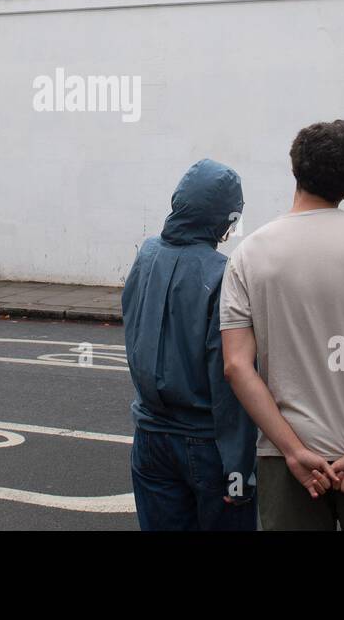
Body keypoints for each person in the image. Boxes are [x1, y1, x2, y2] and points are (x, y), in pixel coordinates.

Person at [221, 121, 344, 531]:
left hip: (287, 458)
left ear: (295, 166)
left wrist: (294, 452)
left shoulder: (249, 254)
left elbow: (237, 367)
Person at [122, 158, 258, 531]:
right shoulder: (222, 274)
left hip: (149, 435)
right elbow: (230, 375)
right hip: (206, 442)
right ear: (224, 219)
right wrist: (239, 468)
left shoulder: (146, 255)